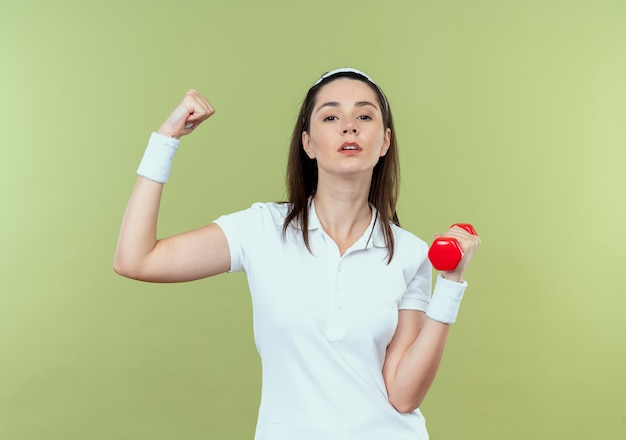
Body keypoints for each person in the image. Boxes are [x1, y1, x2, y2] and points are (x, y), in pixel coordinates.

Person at [114, 68, 481, 440]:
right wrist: (166, 139)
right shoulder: (260, 230)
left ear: (385, 141)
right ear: (308, 143)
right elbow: (135, 259)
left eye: (365, 116)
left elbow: (403, 396)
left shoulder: (409, 253)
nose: (349, 127)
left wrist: (450, 284)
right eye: (331, 116)